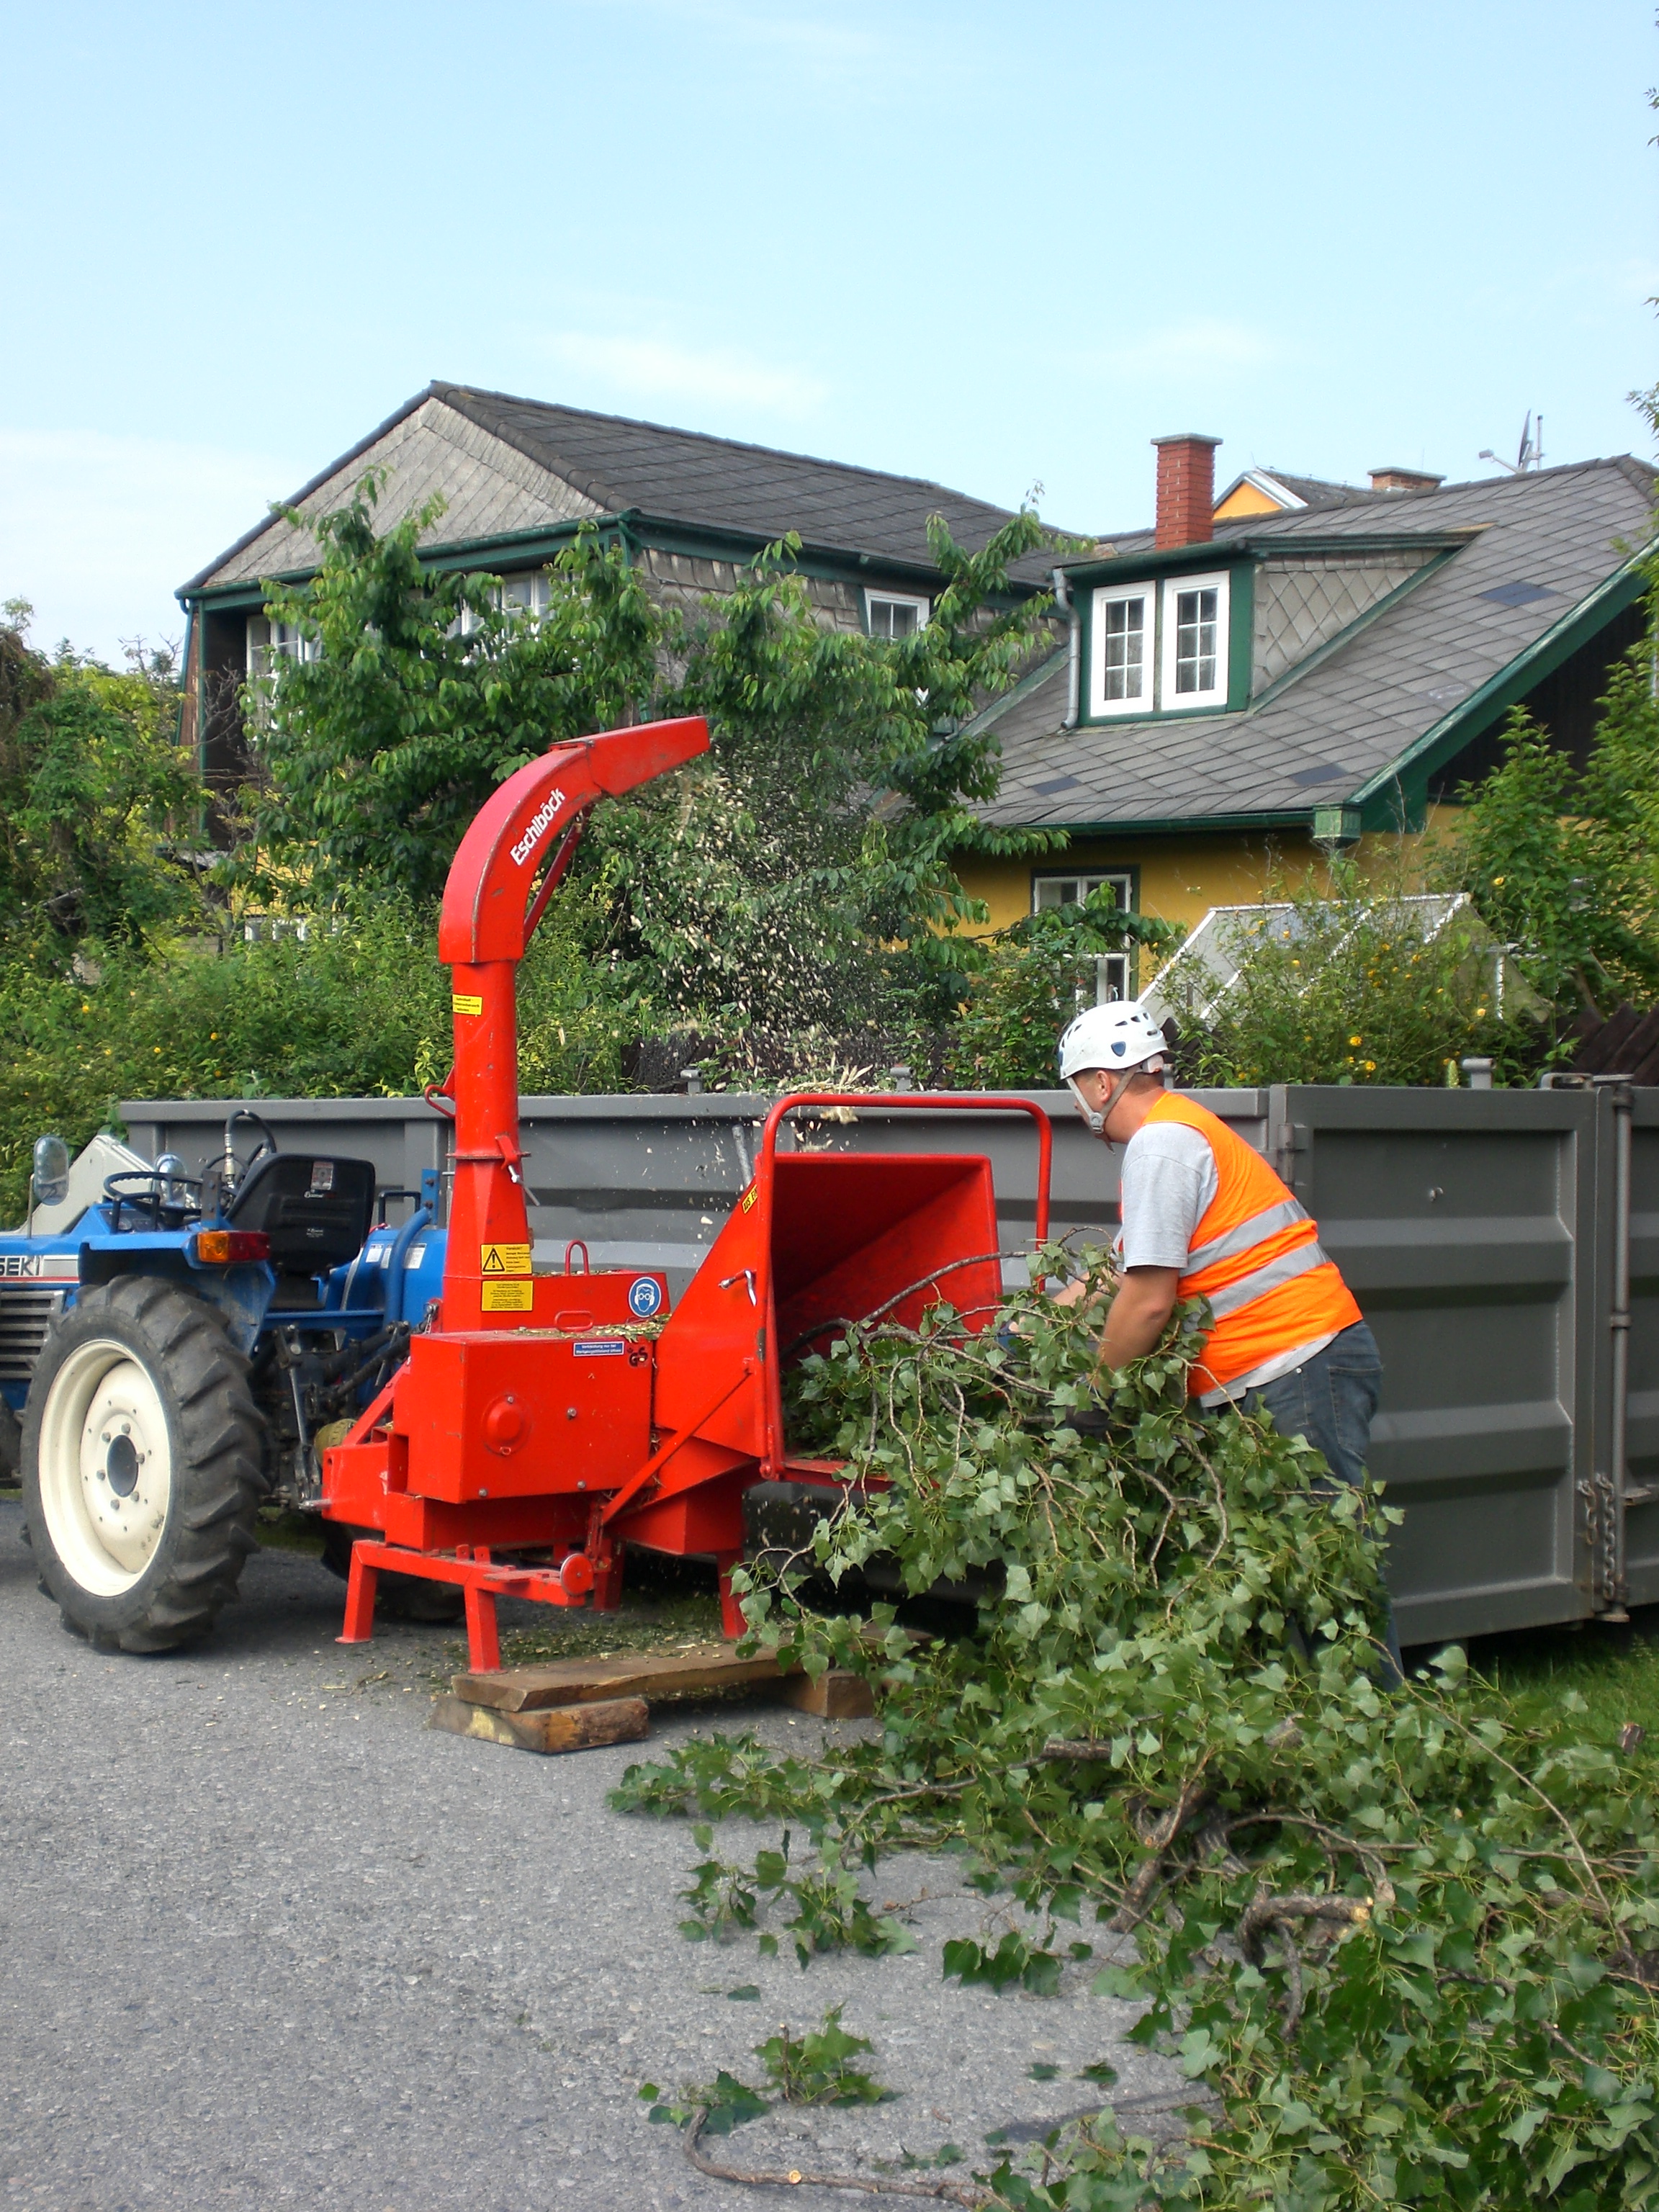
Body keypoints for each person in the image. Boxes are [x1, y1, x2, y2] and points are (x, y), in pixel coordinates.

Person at [1054, 999, 1401, 1676]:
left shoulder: (1161, 1145)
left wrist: (1096, 1390)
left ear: (1100, 1083)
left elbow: (1147, 1301)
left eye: (1074, 1089)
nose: (1077, 1107)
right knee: (1290, 1570)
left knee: (1327, 1572)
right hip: (1289, 1367)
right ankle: (1322, 1723)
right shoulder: (1181, 1130)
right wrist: (1025, 1324)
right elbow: (1120, 1274)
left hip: (1295, 1364)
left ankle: (1377, 1726)